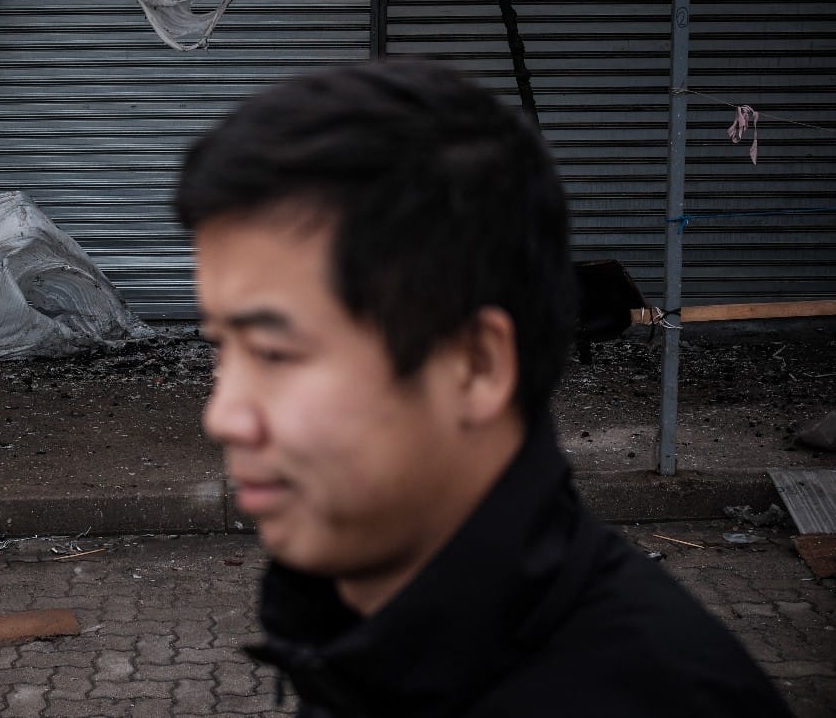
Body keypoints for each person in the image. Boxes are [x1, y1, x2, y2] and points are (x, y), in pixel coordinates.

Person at [174, 60, 791, 718]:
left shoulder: (664, 696)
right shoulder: (352, 624)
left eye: (274, 351)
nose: (223, 416)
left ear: (475, 364)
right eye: (220, 348)